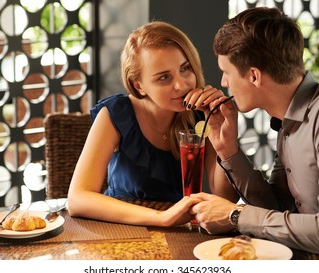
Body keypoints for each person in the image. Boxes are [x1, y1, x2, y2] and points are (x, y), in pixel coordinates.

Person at [191, 7, 319, 257]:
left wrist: (236, 214)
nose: (223, 83)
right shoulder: (286, 117)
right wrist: (228, 150)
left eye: (226, 71)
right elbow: (277, 207)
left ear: (254, 76)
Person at [67, 21, 236, 227]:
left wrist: (226, 138)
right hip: (120, 229)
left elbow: (226, 197)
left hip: (181, 229)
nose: (181, 85)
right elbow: (77, 199)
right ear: (139, 85)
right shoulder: (116, 113)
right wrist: (161, 218)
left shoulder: (201, 115)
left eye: (185, 68)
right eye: (164, 77)